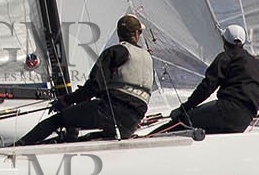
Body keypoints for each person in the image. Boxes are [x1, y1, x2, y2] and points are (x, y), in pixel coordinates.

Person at [17, 14, 155, 146]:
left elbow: (94, 86)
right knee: (90, 129)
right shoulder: (148, 57)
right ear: (137, 34)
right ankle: (73, 139)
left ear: (119, 33)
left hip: (110, 110)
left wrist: (66, 100)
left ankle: (19, 145)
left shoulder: (115, 52)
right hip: (134, 119)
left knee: (57, 120)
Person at [167, 24, 259, 134]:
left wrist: (184, 109)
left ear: (224, 42)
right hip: (243, 120)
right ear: (243, 43)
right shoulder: (256, 65)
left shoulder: (225, 58)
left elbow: (207, 87)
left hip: (225, 111)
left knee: (180, 123)